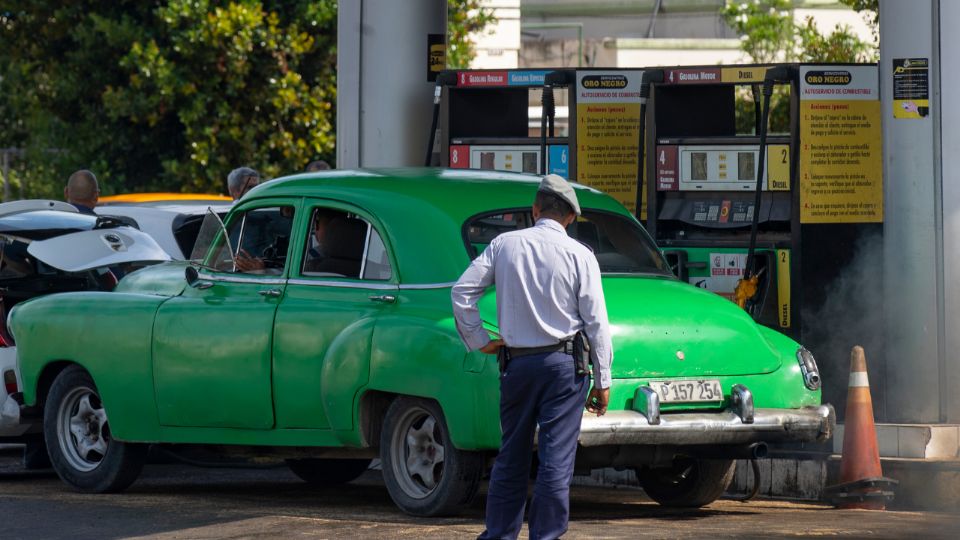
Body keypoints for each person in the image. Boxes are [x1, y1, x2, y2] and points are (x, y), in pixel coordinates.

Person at [451, 174, 613, 540]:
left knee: (512, 456)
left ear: (535, 209)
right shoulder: (581, 255)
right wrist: (603, 380)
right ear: (570, 217)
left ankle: (499, 535)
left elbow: (462, 292)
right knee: (556, 461)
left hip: (517, 364)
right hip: (563, 368)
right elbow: (596, 322)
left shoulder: (504, 244)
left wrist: (480, 339)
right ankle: (546, 536)